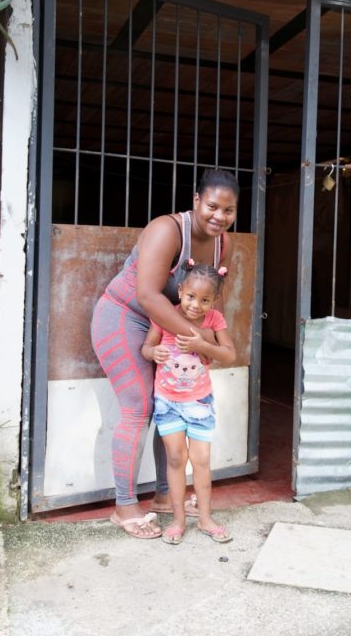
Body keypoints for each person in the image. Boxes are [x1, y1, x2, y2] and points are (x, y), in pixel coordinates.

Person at [91, 168, 239, 538]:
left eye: (229, 210)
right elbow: (148, 296)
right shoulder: (167, 229)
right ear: (196, 201)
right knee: (139, 406)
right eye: (212, 206)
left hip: (171, 328)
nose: (219, 217)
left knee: (169, 402)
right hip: (126, 318)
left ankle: (163, 496)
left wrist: (203, 341)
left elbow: (208, 298)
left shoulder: (225, 245)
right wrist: (201, 340)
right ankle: (124, 507)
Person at [141, 262, 236, 545]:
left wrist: (202, 346)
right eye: (191, 297)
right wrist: (153, 352)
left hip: (199, 402)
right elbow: (146, 347)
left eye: (205, 300)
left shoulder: (214, 320)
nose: (196, 305)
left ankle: (205, 518)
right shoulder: (165, 316)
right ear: (180, 290)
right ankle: (178, 520)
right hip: (168, 402)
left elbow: (229, 355)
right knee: (175, 459)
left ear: (214, 300)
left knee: (202, 461)